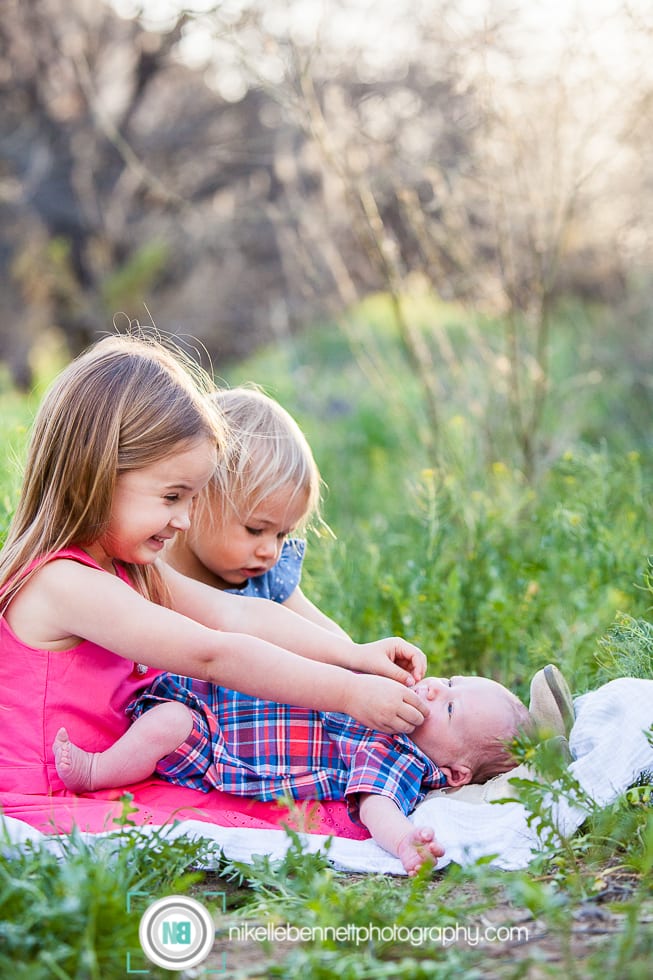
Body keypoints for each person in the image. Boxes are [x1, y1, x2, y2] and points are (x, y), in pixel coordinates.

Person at [0, 333, 431, 800]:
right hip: (43, 794)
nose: (184, 520)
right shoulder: (64, 582)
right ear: (96, 475)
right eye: (171, 497)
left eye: (190, 499)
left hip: (114, 783)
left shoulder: (128, 569)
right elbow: (214, 654)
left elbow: (238, 614)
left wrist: (353, 655)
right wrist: (348, 694)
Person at [53, 673, 532, 874]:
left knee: (168, 724)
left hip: (217, 743)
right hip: (226, 694)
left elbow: (377, 806)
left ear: (452, 774)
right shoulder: (396, 704)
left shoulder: (401, 757)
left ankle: (96, 772)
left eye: (448, 708)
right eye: (448, 683)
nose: (432, 692)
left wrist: (406, 842)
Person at [164, 384, 348, 636]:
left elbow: (329, 639)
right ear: (194, 499)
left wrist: (367, 666)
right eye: (255, 530)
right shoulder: (152, 572)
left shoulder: (268, 581)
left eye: (282, 535)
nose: (270, 551)